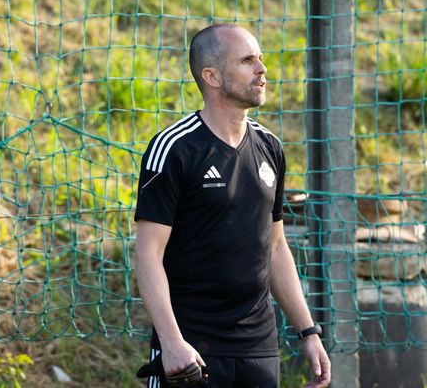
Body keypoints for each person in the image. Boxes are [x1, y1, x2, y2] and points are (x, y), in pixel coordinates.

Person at [134, 23, 331, 388]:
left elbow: (276, 247)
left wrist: (308, 332)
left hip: (259, 349)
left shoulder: (270, 147)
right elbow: (148, 253)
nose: (262, 69)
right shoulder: (174, 148)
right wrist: (172, 342)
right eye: (247, 60)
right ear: (212, 76)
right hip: (191, 350)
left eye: (260, 58)